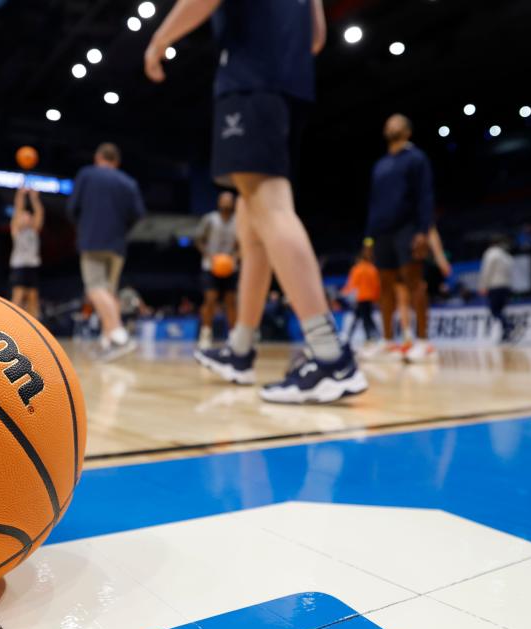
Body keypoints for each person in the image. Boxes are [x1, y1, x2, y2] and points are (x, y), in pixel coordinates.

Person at [146, 0, 367, 404]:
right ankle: (241, 349)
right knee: (253, 228)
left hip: (251, 81)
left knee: (271, 206)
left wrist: (160, 39)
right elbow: (316, 39)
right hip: (290, 87)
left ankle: (329, 356)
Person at [365, 114, 437, 364]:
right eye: (388, 122)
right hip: (381, 232)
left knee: (414, 283)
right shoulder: (380, 165)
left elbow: (425, 196)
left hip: (407, 228)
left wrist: (422, 231)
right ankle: (387, 341)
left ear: (407, 131)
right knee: (384, 286)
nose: (390, 125)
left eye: (396, 122)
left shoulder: (416, 158)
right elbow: (373, 204)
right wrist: (369, 239)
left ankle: (422, 341)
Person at [67, 143, 146, 360]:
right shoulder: (128, 182)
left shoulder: (86, 174)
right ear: (116, 162)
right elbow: (139, 214)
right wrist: (122, 229)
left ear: (98, 157)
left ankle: (119, 335)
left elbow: (72, 208)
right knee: (109, 293)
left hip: (92, 240)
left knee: (95, 289)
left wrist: (83, 226)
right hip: (117, 244)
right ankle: (107, 342)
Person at [196, 191, 239, 349]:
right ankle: (205, 334)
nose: (226, 203)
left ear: (234, 203)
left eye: (229, 200)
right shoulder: (210, 219)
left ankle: (234, 336)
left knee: (231, 302)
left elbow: (242, 244)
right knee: (210, 300)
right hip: (210, 266)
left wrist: (236, 256)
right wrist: (209, 255)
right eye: (224, 200)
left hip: (231, 266)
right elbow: (199, 239)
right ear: (219, 202)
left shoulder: (239, 221)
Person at [9, 187, 45, 318]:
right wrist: (20, 195)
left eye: (29, 216)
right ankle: (11, 323)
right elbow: (18, 209)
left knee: (33, 297)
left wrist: (34, 198)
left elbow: (39, 212)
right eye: (24, 216)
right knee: (18, 295)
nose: (27, 217)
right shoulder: (16, 230)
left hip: (32, 266)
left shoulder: (34, 230)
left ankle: (33, 325)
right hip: (19, 266)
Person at [479, 235, 515, 343]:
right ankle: (506, 334)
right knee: (500, 310)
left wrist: (483, 286)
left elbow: (487, 270)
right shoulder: (507, 256)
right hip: (506, 286)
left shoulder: (491, 253)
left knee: (495, 310)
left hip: (495, 286)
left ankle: (508, 325)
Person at [342, 246, 380, 345]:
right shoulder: (373, 269)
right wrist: (376, 297)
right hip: (370, 297)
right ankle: (373, 335)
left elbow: (352, 284)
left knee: (363, 317)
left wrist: (345, 292)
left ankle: (351, 336)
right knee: (364, 316)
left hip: (361, 297)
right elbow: (376, 285)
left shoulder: (357, 269)